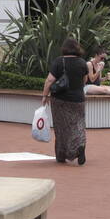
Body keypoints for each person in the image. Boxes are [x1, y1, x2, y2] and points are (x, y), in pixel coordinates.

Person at [42, 37, 88, 165]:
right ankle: (80, 145)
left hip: (60, 99)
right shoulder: (82, 63)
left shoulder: (58, 62)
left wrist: (45, 95)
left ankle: (61, 154)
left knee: (61, 127)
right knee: (78, 124)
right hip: (78, 99)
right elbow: (84, 80)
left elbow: (49, 80)